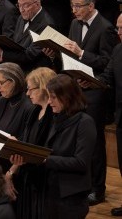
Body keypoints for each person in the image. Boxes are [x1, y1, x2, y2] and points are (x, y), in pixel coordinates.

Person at [59, 0, 118, 205]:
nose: (73, 11)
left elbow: (108, 62)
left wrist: (82, 54)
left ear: (91, 6)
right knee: (76, 139)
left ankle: (98, 188)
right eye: (72, 6)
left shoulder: (106, 28)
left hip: (95, 92)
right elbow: (70, 53)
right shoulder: (75, 24)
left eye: (78, 6)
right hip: (76, 88)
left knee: (94, 142)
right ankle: (82, 184)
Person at [43, 74, 96, 219]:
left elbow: (81, 162)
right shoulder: (56, 117)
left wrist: (46, 160)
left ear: (67, 97)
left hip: (71, 196)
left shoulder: (85, 122)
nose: (49, 102)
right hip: (51, 190)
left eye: (53, 97)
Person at [8, 67, 56, 219]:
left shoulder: (54, 115)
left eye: (30, 89)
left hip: (43, 182)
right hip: (27, 177)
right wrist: (11, 172)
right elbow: (27, 142)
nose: (27, 93)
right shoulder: (34, 111)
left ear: (43, 88)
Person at [0, 0, 54, 72]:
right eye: (19, 5)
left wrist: (3, 54)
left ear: (37, 4)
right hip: (18, 68)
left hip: (34, 73)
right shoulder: (21, 18)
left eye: (25, 5)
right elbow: (16, 45)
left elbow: (30, 55)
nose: (21, 10)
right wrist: (4, 57)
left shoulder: (47, 25)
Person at [96, 14, 122, 216]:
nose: (119, 33)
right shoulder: (118, 49)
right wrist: (91, 81)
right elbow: (107, 77)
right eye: (118, 28)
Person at [0, 63, 35, 140]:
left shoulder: (29, 107)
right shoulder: (1, 101)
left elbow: (26, 139)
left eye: (0, 83)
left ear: (13, 81)